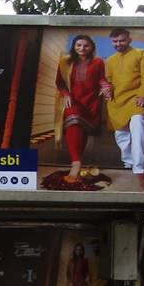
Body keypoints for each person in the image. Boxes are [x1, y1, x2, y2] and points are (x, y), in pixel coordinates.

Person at [103, 27, 144, 191]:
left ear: (129, 39)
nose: (118, 44)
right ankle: (129, 163)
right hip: (116, 100)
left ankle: (140, 169)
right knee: (121, 134)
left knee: (138, 125)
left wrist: (143, 96)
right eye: (115, 41)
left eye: (122, 40)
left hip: (136, 98)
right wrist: (107, 88)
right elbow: (108, 80)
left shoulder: (142, 54)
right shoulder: (110, 60)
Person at [53, 34, 107, 183]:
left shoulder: (98, 62)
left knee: (81, 130)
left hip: (91, 101)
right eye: (78, 45)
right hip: (73, 100)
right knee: (74, 122)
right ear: (74, 46)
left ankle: (78, 160)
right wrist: (66, 94)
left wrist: (105, 86)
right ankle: (76, 163)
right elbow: (60, 82)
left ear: (91, 48)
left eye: (86, 45)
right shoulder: (65, 61)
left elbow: (101, 78)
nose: (82, 48)